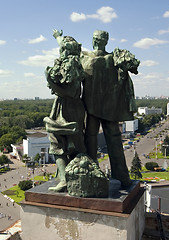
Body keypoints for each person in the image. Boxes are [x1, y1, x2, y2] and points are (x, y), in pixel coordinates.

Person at [81, 30, 139, 187]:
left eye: (98, 39)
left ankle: (121, 176)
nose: (96, 41)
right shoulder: (84, 56)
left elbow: (129, 72)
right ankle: (92, 174)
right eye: (95, 38)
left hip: (108, 107)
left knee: (110, 139)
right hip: (92, 106)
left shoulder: (114, 57)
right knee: (91, 139)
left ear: (105, 41)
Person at [44, 30, 86, 192]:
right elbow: (63, 44)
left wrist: (50, 82)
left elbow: (71, 93)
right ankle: (65, 178)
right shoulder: (71, 61)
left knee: (69, 144)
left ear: (68, 52)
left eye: (63, 50)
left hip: (70, 108)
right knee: (58, 142)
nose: (60, 52)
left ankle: (69, 179)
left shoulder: (72, 67)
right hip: (62, 107)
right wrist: (57, 36)